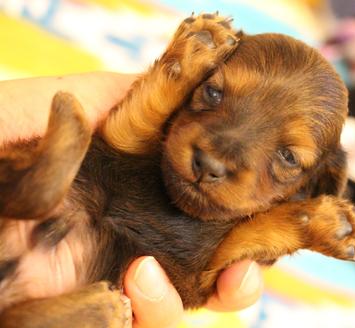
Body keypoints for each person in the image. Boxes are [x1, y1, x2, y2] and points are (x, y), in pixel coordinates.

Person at [0, 72, 264, 328]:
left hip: (39, 203)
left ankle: (49, 169)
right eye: (213, 94)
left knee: (30, 195)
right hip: (75, 278)